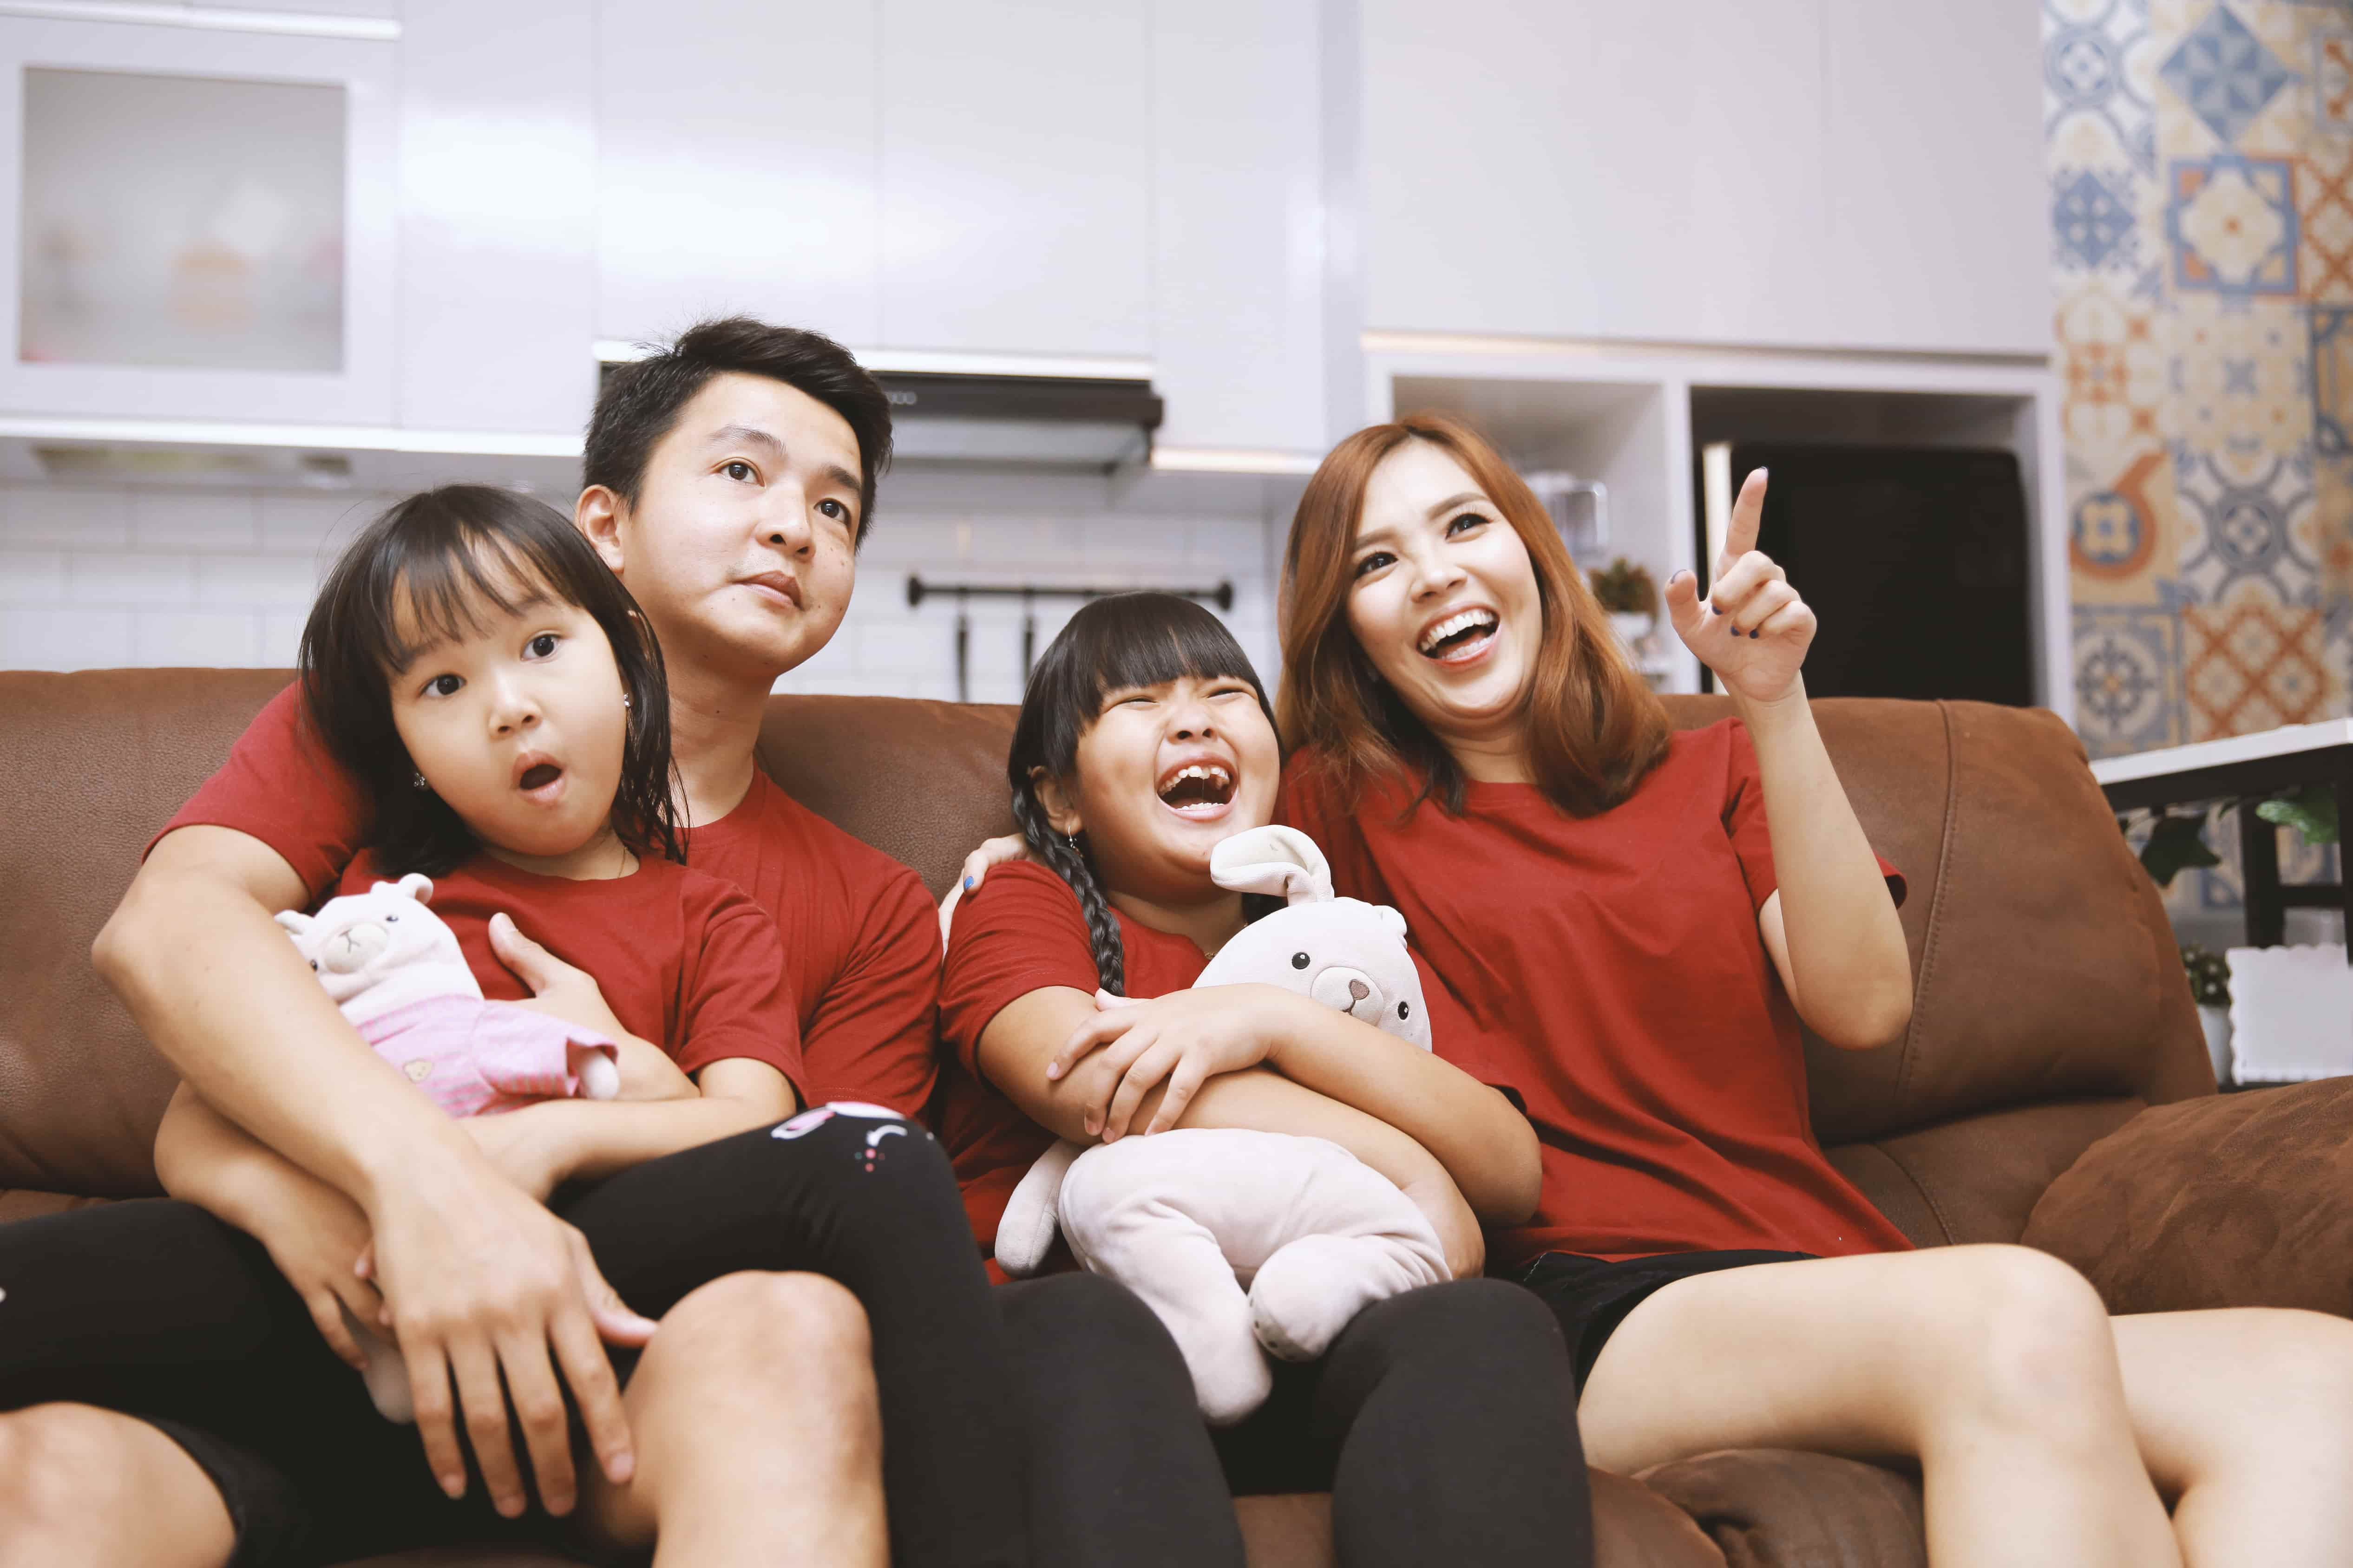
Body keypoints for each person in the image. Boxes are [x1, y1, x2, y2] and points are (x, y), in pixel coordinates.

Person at [0, 320, 1187, 1568]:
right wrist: (428, 1202)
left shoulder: (868, 907)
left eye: (837, 509)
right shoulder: (403, 734)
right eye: (741, 473)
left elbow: (816, 1203)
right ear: (605, 528)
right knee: (49, 1478)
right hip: (314, 1326)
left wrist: (608, 1081)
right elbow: (175, 943)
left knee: (830, 1316)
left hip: (633, 1381)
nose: (795, 525)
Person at [1265, 412, 2353, 1567]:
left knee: (2313, 1380)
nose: (1434, 573)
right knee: (2016, 1311)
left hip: (1836, 1283)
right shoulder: (1330, 804)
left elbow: (1866, 1005)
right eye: (1377, 562)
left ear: (1533, 554)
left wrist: (1772, 700)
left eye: (1464, 523)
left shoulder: (1720, 765)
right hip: (1585, 1305)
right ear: (1350, 633)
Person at [938, 592, 1594, 1568]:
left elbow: (1507, 1169)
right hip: (1105, 1325)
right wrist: (1412, 1174)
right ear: (1061, 797)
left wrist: (1276, 1022)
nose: (1195, 718)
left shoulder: (1340, 951)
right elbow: (1088, 1078)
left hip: (1320, 1333)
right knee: (1085, 1326)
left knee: (1485, 1318)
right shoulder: (1028, 896)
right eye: (1139, 701)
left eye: (1226, 693)